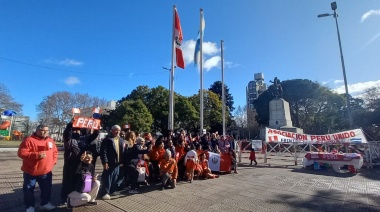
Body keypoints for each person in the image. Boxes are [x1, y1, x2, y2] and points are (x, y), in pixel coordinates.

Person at [18, 124, 58, 212]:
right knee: (28, 190)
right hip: (31, 171)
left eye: (47, 131)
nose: (45, 132)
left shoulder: (50, 140)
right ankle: (29, 206)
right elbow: (21, 153)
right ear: (37, 131)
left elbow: (55, 152)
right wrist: (36, 155)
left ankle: (45, 203)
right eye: (43, 130)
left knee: (46, 189)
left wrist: (53, 162)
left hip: (46, 172)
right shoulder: (28, 140)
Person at [61, 120, 99, 203]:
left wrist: (97, 127)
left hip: (83, 164)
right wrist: (70, 124)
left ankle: (83, 195)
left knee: (83, 180)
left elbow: (94, 135)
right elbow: (67, 134)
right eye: (75, 130)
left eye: (78, 130)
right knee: (69, 182)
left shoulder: (84, 139)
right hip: (71, 164)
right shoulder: (69, 141)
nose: (77, 132)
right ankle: (67, 198)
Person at [100, 125, 125, 200]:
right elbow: (103, 152)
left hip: (117, 162)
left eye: (119, 130)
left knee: (115, 177)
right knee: (107, 177)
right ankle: (105, 192)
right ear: (112, 130)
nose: (117, 132)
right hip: (109, 162)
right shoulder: (107, 139)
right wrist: (105, 162)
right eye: (115, 130)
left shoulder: (121, 139)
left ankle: (111, 190)